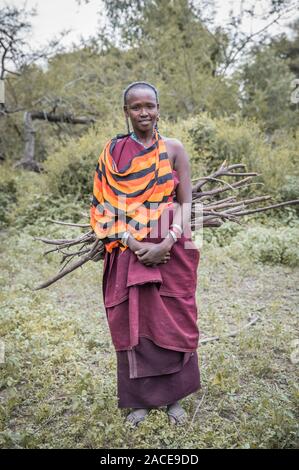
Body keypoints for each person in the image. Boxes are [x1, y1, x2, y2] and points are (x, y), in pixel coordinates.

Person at [90, 81, 201, 427]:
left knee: (173, 318)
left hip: (172, 249)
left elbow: (186, 203)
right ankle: (138, 401)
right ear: (126, 112)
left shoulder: (174, 149)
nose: (144, 113)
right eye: (136, 107)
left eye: (149, 106)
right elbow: (103, 207)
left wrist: (167, 242)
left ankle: (174, 400)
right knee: (132, 323)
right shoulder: (112, 153)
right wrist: (137, 246)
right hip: (127, 249)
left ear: (158, 108)